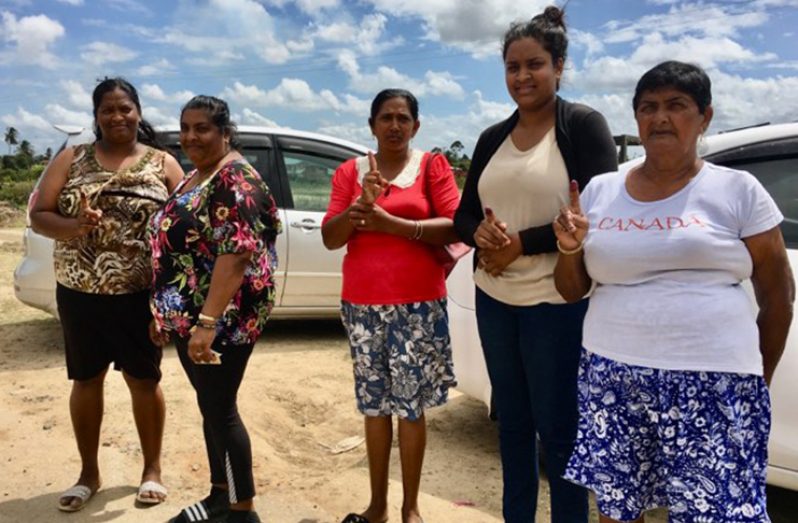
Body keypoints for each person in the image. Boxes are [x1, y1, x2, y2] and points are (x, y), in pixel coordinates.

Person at [553, 61, 795, 523]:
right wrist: (569, 248)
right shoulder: (602, 191)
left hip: (714, 381)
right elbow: (572, 291)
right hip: (613, 378)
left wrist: (754, 379)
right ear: (637, 119)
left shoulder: (737, 189)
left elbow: (779, 293)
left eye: (676, 106)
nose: (660, 117)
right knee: (618, 509)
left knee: (716, 511)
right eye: (648, 107)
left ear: (704, 117)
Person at [452, 6, 618, 523]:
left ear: (560, 66)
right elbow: (464, 213)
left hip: (555, 302)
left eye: (535, 64)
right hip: (494, 299)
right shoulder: (489, 138)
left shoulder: (582, 126)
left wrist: (522, 242)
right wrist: (478, 234)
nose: (522, 77)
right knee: (513, 425)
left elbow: (598, 211)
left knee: (560, 429)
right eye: (512, 67)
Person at [29, 77, 183, 511]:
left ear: (138, 111)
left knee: (144, 379)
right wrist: (75, 226)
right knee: (85, 379)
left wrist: (170, 301)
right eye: (107, 110)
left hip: (140, 294)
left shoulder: (163, 163)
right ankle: (88, 474)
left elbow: (184, 231)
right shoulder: (71, 159)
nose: (117, 116)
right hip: (80, 291)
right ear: (96, 117)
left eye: (125, 108)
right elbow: (40, 214)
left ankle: (151, 470)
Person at [322, 88, 461, 523]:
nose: (395, 125)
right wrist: (360, 205)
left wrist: (392, 224)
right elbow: (331, 236)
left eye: (403, 118)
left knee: (411, 407)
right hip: (363, 306)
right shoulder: (350, 172)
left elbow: (456, 225)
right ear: (372, 125)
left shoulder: (431, 167)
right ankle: (377, 506)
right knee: (375, 406)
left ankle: (410, 507)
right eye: (386, 117)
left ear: (416, 126)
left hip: (418, 305)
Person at [149, 95, 281, 523]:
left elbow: (236, 254)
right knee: (211, 405)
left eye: (202, 128)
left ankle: (242, 511)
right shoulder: (199, 176)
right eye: (185, 127)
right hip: (196, 317)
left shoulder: (233, 179)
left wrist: (206, 324)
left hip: (223, 319)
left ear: (225, 132)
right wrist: (166, 312)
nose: (190, 137)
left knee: (221, 409)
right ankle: (219, 496)